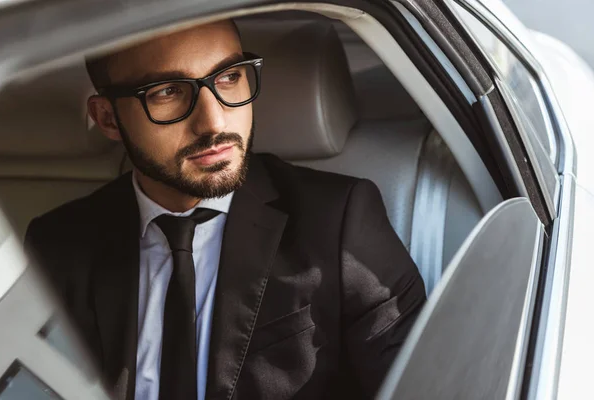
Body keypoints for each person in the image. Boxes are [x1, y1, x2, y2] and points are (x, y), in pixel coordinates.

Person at [25, 19, 426, 400]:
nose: (213, 121)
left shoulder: (341, 223)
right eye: (168, 91)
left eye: (229, 77)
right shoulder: (57, 246)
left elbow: (427, 386)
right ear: (108, 118)